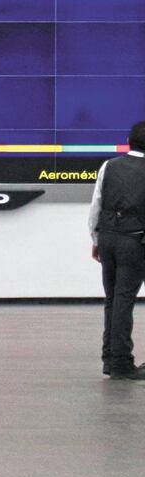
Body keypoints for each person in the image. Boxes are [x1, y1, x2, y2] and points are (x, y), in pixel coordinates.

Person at [89, 121, 145, 380]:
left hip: (108, 239)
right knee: (124, 300)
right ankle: (122, 363)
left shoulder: (108, 166)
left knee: (112, 299)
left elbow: (96, 205)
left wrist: (96, 239)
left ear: (128, 140)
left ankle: (110, 360)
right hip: (134, 241)